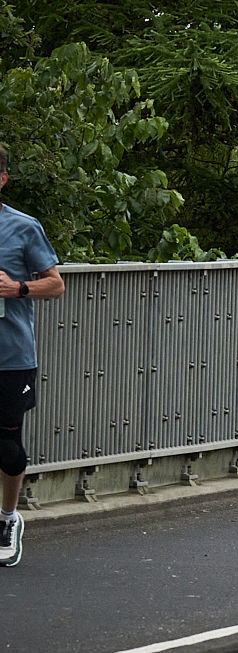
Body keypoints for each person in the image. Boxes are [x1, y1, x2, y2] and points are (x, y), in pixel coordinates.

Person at [0, 145, 65, 567]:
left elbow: (56, 284)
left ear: (2, 178)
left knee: (6, 448)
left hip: (10, 356)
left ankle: (7, 518)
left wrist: (18, 289)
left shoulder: (23, 227)